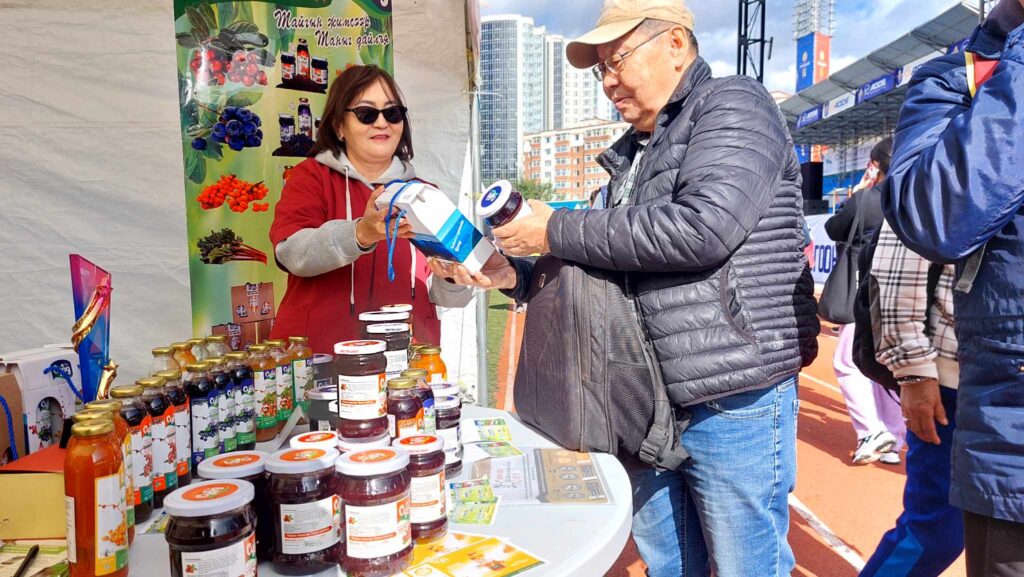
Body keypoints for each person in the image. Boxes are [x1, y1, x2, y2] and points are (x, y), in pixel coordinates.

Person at [433, 1, 819, 575]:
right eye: (601, 70)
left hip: (730, 397)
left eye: (617, 60)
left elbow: (703, 228)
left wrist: (554, 229)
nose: (608, 81)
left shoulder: (734, 103)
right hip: (643, 399)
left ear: (676, 44)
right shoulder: (634, 154)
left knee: (747, 565)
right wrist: (513, 276)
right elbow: (607, 274)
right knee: (670, 563)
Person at [883, 0, 1024, 573]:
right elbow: (905, 256)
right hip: (965, 382)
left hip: (981, 379)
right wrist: (913, 369)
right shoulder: (964, 78)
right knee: (932, 528)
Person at [269, 65, 471, 353]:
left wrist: (455, 273)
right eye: (367, 113)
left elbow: (450, 298)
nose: (382, 123)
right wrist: (360, 233)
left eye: (392, 113)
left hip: (406, 359)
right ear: (339, 126)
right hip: (319, 357)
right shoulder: (310, 178)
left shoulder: (426, 194)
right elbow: (292, 254)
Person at [859, 220, 961, 576]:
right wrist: (914, 371)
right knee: (936, 530)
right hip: (956, 384)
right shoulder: (935, 180)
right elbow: (897, 269)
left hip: (993, 377)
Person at [825, 138, 906, 465]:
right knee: (888, 366)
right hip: (903, 293)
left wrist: (859, 191)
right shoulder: (913, 196)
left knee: (847, 362)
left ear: (874, 165)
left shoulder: (866, 199)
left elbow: (833, 228)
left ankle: (872, 432)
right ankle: (893, 437)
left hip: (863, 291)